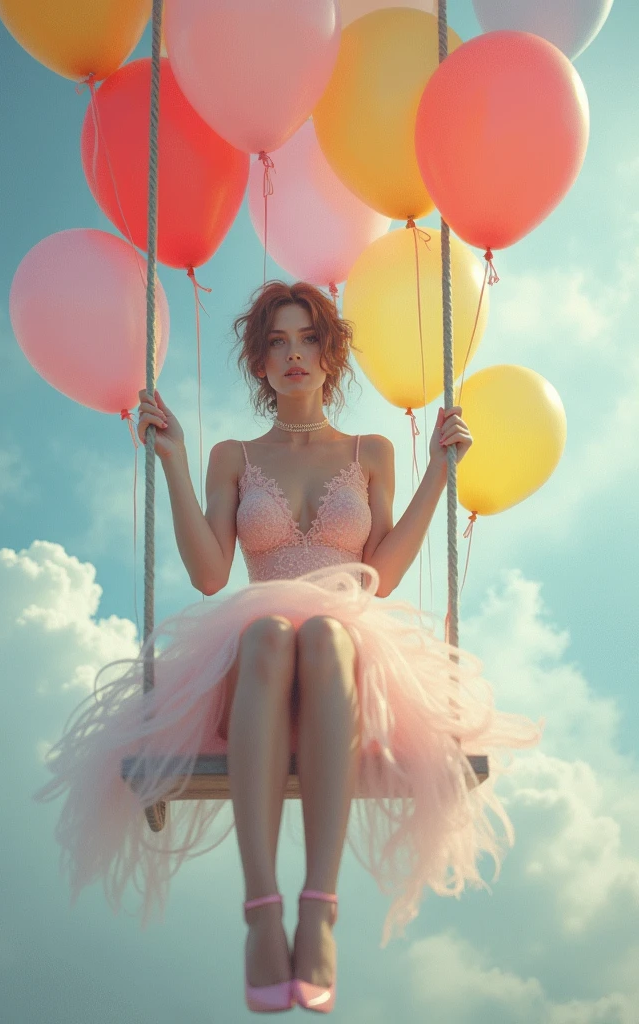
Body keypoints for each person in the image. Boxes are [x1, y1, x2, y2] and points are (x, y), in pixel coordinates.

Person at [35, 281, 542, 1014]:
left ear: (330, 354)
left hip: (341, 667)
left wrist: (438, 467)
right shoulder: (233, 456)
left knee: (328, 634)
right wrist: (174, 460)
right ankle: (262, 910)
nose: (294, 353)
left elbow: (383, 573)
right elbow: (212, 576)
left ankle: (320, 908)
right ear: (260, 362)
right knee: (272, 631)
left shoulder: (368, 451)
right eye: (277, 341)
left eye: (307, 338)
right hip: (257, 673)